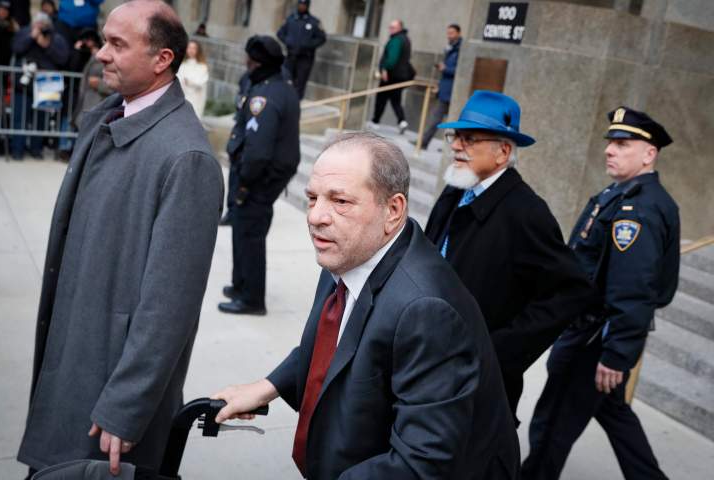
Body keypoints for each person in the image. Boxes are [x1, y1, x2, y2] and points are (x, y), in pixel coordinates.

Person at [213, 131, 520, 479]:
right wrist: (268, 387)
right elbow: (334, 346)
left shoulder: (427, 311)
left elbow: (420, 464)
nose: (316, 216)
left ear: (393, 210)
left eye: (340, 201)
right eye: (313, 198)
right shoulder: (348, 250)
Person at [16, 1, 223, 477]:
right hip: (75, 362)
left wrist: (127, 405)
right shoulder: (109, 118)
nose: (101, 53)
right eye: (104, 39)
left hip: (107, 395)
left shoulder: (186, 158)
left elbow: (169, 306)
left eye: (117, 44)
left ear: (162, 59)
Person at [521, 107, 679, 480]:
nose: (609, 150)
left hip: (594, 340)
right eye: (610, 143)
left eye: (622, 144)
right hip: (593, 332)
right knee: (614, 413)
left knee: (551, 427)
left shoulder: (638, 210)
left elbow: (634, 289)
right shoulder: (621, 194)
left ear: (649, 154)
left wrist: (616, 354)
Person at [424, 90, 597, 423]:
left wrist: (496, 351)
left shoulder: (526, 212)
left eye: (469, 138)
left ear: (503, 151)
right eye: (455, 136)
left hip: (476, 385)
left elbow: (571, 292)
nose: (456, 145)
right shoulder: (456, 189)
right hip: (429, 360)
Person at [217, 35, 300, 316]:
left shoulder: (265, 96)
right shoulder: (280, 87)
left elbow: (259, 150)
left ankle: (251, 299)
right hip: (263, 174)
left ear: (259, 63)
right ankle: (240, 284)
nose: (247, 65)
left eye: (250, 61)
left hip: (258, 177)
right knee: (242, 229)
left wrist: (245, 182)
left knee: (250, 233)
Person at [10, 10, 69, 159]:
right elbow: (16, 48)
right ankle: (17, 150)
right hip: (23, 85)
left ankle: (36, 150)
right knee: (20, 118)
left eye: (44, 24)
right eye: (38, 24)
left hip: (45, 87)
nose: (41, 27)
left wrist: (47, 45)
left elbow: (63, 59)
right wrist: (31, 37)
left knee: (40, 120)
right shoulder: (25, 32)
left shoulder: (56, 38)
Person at [418, 23, 461, 151]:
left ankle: (448, 148)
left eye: (452, 33)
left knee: (453, 122)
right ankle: (423, 142)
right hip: (445, 90)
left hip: (454, 92)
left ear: (458, 33)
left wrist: (445, 68)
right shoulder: (450, 48)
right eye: (448, 33)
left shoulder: (461, 49)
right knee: (436, 118)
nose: (449, 35)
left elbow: (461, 71)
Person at [368, 19, 414, 135]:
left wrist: (384, 68)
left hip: (390, 75)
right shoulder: (405, 39)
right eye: (390, 27)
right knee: (396, 100)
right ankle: (402, 121)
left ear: (400, 28)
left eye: (393, 27)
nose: (390, 29)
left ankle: (375, 121)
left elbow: (392, 58)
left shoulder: (396, 40)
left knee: (381, 98)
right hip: (401, 75)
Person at [276, 0, 326, 100]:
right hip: (290, 56)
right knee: (286, 79)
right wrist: (288, 41)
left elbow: (322, 38)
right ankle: (284, 101)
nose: (302, 6)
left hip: (305, 58)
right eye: (300, 4)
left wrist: (308, 45)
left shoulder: (314, 22)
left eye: (304, 5)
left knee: (300, 83)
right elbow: (280, 33)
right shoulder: (290, 19)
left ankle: (295, 103)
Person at [70, 29, 111, 130]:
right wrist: (77, 51)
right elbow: (72, 66)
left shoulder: (105, 58)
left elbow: (114, 86)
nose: (87, 43)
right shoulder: (85, 56)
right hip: (85, 104)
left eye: (88, 40)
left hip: (98, 104)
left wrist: (99, 84)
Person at [177, 39, 208, 118]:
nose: (191, 50)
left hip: (195, 100)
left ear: (198, 50)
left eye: (194, 48)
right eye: (189, 48)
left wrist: (190, 82)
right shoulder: (182, 65)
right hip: (181, 98)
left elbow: (201, 83)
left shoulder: (202, 67)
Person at [0, 0, 19, 66]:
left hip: (5, 65)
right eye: (1, 8)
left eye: (6, 9)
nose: (3, 11)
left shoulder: (11, 28)